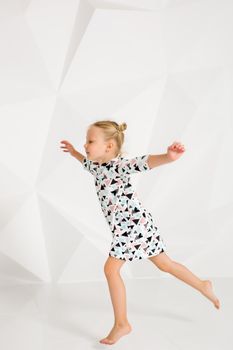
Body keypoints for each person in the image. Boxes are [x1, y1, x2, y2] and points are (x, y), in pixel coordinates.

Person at [60, 120, 220, 345]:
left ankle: (122, 324)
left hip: (135, 226)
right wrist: (75, 153)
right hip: (133, 228)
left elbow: (143, 163)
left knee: (110, 269)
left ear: (108, 146)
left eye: (90, 141)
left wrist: (168, 157)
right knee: (165, 264)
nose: (85, 145)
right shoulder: (96, 167)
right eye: (86, 141)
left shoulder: (119, 166)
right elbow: (85, 163)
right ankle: (203, 285)